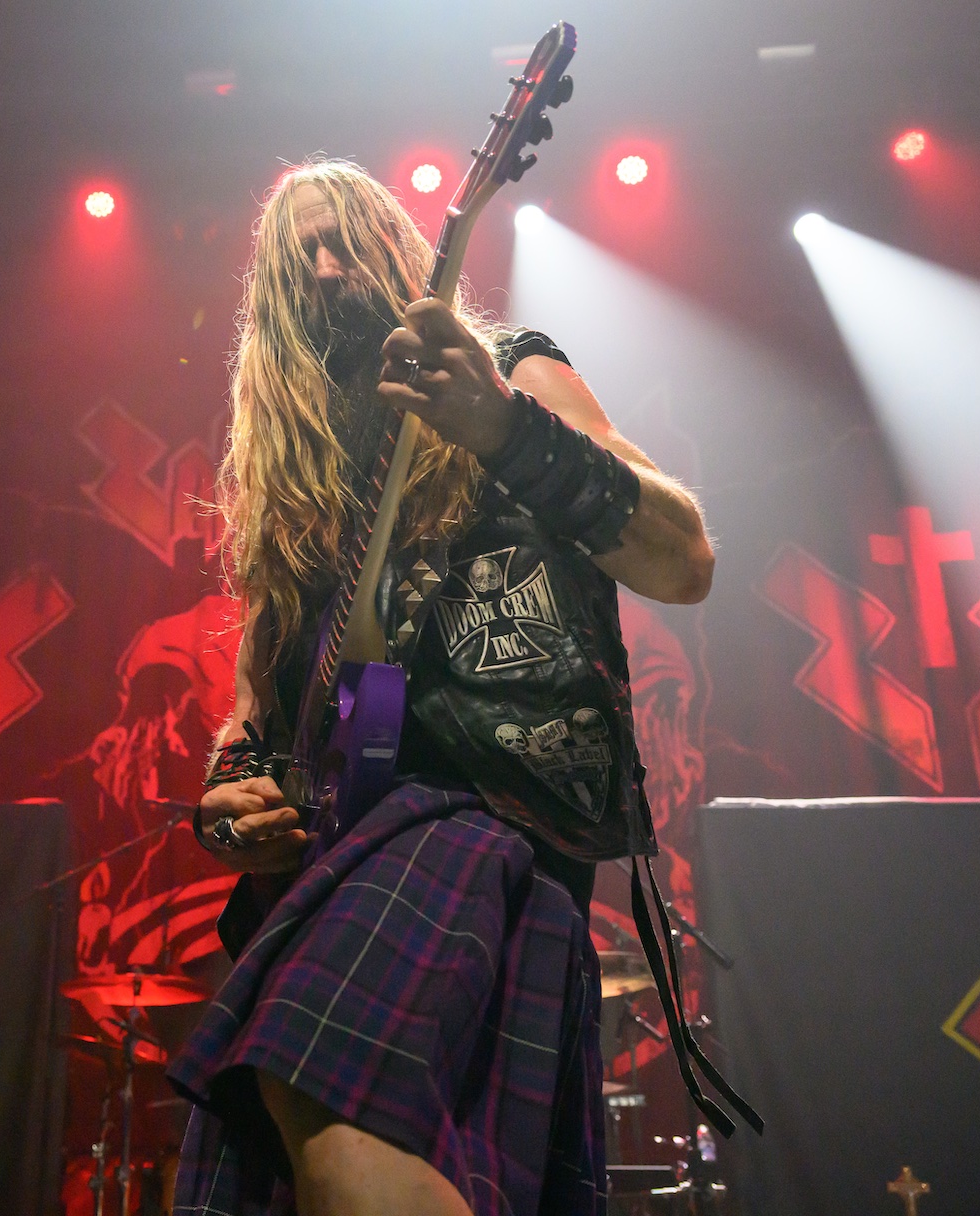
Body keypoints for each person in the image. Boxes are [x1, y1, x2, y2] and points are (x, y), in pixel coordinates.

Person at [165, 160, 743, 1216]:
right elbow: (253, 706)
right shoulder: (290, 477)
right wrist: (229, 798)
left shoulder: (511, 375)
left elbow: (683, 561)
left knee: (311, 1083)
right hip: (336, 847)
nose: (329, 268)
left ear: (399, 251)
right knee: (279, 1176)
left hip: (483, 820)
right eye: (302, 257)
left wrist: (502, 428)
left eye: (344, 240)